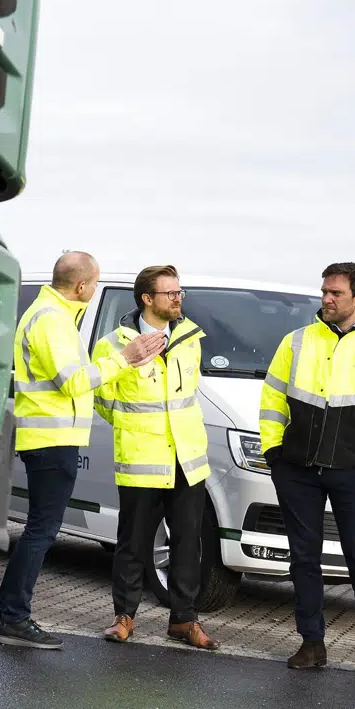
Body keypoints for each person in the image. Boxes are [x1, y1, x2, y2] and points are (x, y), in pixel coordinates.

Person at [0, 251, 166, 649]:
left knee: (38, 531)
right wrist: (125, 359)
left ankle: (7, 615)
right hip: (51, 441)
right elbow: (72, 382)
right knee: (40, 533)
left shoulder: (52, 315)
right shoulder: (51, 320)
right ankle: (13, 619)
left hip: (52, 440)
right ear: (82, 286)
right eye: (94, 282)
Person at [259, 262, 355, 684]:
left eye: (336, 293)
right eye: (324, 291)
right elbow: (271, 399)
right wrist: (274, 453)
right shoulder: (296, 342)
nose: (326, 299)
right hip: (298, 471)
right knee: (303, 558)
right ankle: (311, 644)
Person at [91, 265, 219, 650]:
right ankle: (124, 617)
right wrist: (134, 428)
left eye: (179, 293)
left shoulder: (191, 339)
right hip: (142, 459)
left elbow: (188, 394)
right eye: (170, 294)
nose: (179, 299)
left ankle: (184, 621)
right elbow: (104, 400)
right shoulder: (114, 344)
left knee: (186, 543)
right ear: (147, 299)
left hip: (187, 459)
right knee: (132, 543)